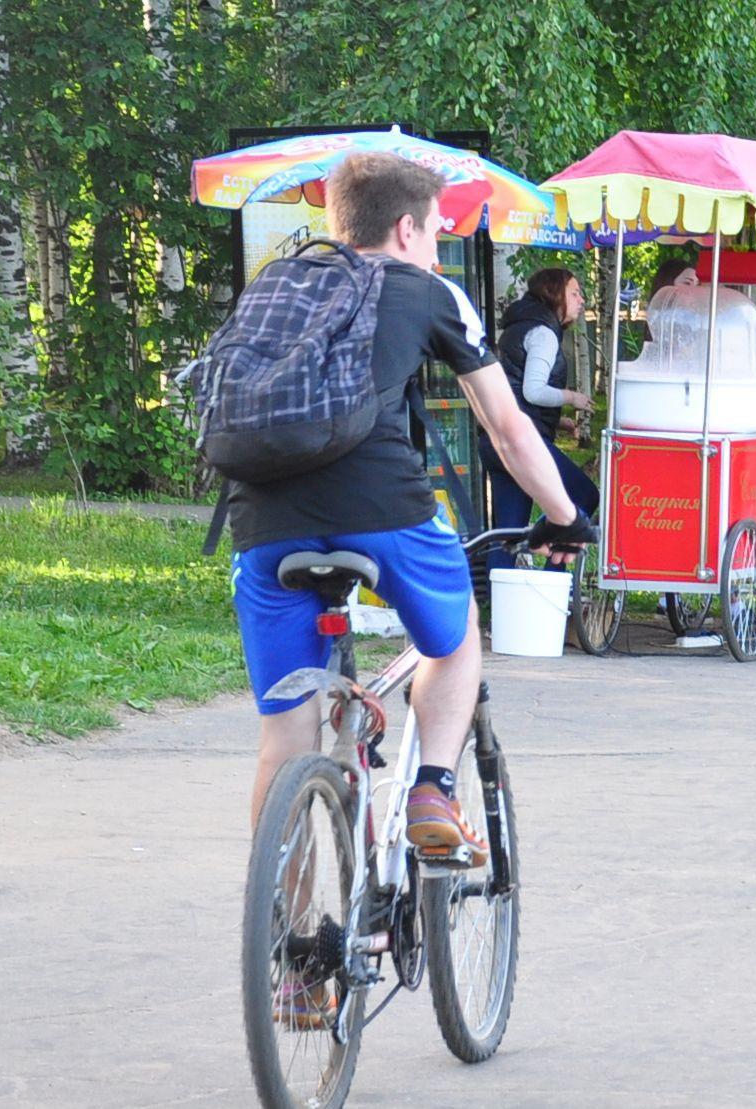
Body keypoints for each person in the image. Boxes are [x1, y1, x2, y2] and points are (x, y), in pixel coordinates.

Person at [227, 152, 594, 860]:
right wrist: (565, 516)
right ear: (405, 229)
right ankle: (432, 785)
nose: (434, 248)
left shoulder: (276, 285)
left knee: (284, 735)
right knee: (456, 636)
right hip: (384, 511)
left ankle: (291, 948)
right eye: (434, 234)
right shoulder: (430, 293)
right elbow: (509, 428)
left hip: (263, 522)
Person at [479, 268, 600, 573]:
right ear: (554, 294)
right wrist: (572, 398)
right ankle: (553, 577)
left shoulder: (518, 327)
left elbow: (514, 391)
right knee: (584, 494)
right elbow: (533, 391)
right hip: (520, 440)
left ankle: (501, 607)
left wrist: (559, 423)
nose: (581, 300)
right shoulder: (544, 333)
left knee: (508, 531)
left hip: (494, 439)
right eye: (574, 293)